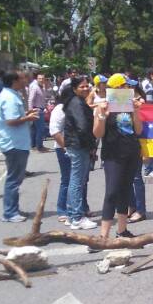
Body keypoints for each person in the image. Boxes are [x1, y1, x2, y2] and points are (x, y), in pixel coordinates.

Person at [91, 73, 143, 240]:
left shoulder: (131, 105)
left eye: (128, 86)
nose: (128, 89)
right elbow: (97, 133)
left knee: (125, 191)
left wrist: (136, 111)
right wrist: (102, 115)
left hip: (131, 152)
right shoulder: (102, 105)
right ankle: (103, 235)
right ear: (116, 88)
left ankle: (122, 230)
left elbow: (139, 130)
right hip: (113, 154)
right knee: (112, 192)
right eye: (125, 86)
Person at [0, 71, 37, 222]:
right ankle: (10, 213)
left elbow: (14, 117)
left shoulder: (11, 95)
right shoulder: (9, 97)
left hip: (16, 142)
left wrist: (26, 114)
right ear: (14, 81)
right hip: (14, 143)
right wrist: (28, 117)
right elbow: (11, 121)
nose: (25, 80)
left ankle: (13, 209)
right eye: (22, 78)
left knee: (15, 178)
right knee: (14, 179)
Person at [61, 76, 97, 229]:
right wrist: (91, 144)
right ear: (74, 89)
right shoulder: (76, 103)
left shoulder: (76, 102)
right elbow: (82, 127)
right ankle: (77, 217)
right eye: (82, 86)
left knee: (76, 180)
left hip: (76, 144)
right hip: (79, 145)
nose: (86, 88)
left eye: (87, 86)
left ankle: (71, 215)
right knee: (77, 181)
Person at [27, 72, 51, 152]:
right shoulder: (35, 87)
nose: (41, 80)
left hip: (40, 109)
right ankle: (39, 146)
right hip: (36, 110)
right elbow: (30, 99)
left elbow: (44, 98)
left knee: (34, 129)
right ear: (36, 79)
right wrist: (31, 111)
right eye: (39, 78)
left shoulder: (42, 87)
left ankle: (34, 145)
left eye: (42, 79)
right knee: (40, 129)